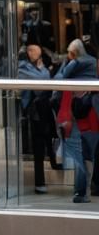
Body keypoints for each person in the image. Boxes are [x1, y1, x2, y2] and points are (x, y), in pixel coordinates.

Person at [53, 39, 99, 203]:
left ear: (73, 54)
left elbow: (58, 80)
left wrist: (65, 63)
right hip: (92, 118)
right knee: (89, 155)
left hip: (75, 118)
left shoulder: (73, 69)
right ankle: (89, 188)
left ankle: (81, 192)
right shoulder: (94, 69)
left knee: (81, 157)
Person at [20, 44, 58, 193]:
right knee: (38, 147)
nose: (39, 56)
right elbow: (41, 84)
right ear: (29, 52)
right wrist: (44, 71)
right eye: (37, 53)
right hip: (34, 114)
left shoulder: (35, 67)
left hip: (43, 112)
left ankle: (47, 174)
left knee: (45, 143)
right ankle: (39, 183)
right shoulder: (23, 67)